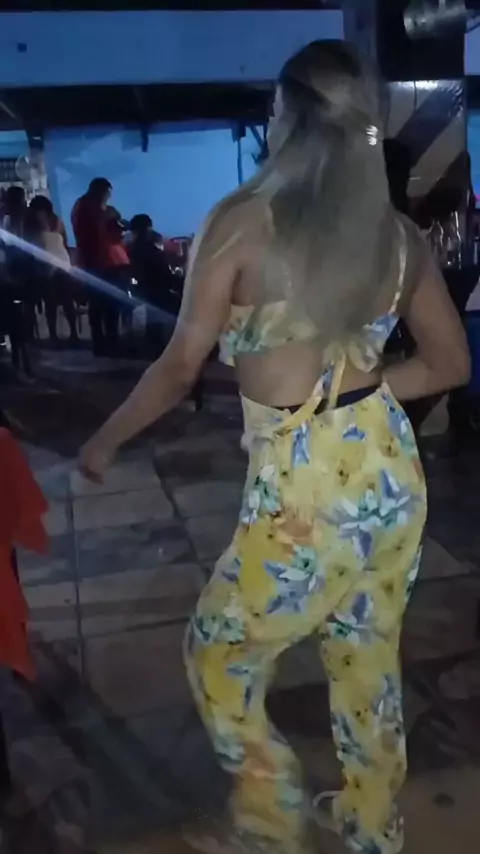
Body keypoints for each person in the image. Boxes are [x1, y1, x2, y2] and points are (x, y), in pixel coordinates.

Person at [79, 41, 470, 854]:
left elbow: (178, 368)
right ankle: (372, 824)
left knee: (217, 654)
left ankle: (269, 817)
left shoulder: (240, 225)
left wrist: (105, 439)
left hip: (306, 491)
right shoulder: (398, 238)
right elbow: (448, 365)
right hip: (390, 474)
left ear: (287, 118)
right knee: (366, 657)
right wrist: (354, 397)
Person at [71, 178, 122, 355]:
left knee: (106, 304)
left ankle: (108, 341)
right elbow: (92, 234)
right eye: (107, 194)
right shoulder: (86, 208)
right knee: (100, 305)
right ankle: (103, 343)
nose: (108, 198)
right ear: (99, 191)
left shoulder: (88, 207)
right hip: (94, 262)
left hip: (102, 261)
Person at [24, 195, 78, 344]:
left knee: (51, 302)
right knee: (66, 300)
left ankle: (54, 335)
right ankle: (73, 333)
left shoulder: (30, 222)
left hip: (43, 263)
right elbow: (64, 242)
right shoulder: (56, 220)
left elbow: (27, 243)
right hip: (62, 260)